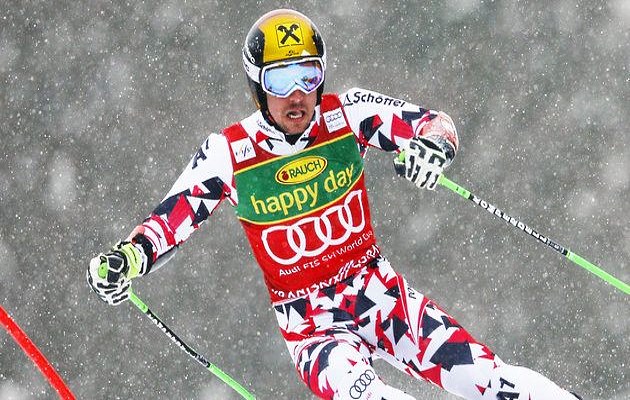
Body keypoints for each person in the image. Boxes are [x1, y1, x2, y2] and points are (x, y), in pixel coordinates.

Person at [87, 9, 584, 400]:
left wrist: (433, 148)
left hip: (383, 300)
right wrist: (124, 261)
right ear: (257, 86)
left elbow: (434, 123)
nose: (297, 95)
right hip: (313, 332)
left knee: (490, 380)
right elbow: (169, 220)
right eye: (280, 81)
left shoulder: (349, 112)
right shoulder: (230, 152)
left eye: (308, 74)